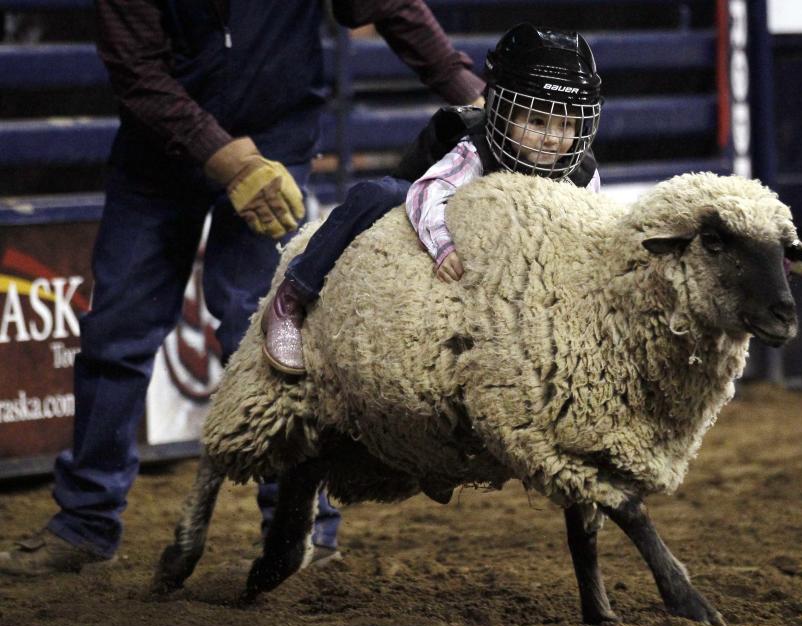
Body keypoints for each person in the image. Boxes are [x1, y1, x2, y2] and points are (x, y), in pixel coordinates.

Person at [0, 0, 484, 576]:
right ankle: (85, 521)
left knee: (270, 322)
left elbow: (384, 5)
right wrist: (226, 158)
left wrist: (471, 95)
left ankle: (302, 525)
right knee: (118, 330)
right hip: (160, 149)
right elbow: (140, 76)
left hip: (275, 133)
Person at [262, 23, 603, 375]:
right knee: (378, 194)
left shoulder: (581, 172)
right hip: (423, 202)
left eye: (566, 125)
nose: (551, 139)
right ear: (502, 109)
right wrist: (443, 246)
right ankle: (293, 296)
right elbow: (427, 191)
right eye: (536, 119)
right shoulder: (476, 149)